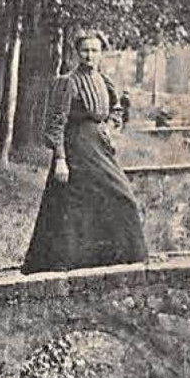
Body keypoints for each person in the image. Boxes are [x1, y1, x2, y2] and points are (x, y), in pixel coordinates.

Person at [21, 31, 149, 273]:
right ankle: (66, 263)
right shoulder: (67, 82)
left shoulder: (104, 81)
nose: (90, 55)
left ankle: (115, 259)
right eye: (85, 50)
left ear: (101, 53)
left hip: (101, 149)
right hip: (75, 151)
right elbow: (56, 123)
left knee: (122, 197)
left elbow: (116, 109)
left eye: (95, 50)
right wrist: (60, 159)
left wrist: (111, 127)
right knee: (72, 206)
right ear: (77, 53)